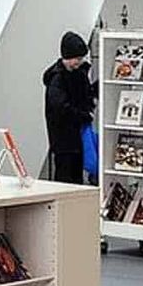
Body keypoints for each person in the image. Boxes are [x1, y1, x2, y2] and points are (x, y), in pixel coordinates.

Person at [43, 31, 94, 184]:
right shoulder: (58, 79)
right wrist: (83, 115)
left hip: (69, 138)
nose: (79, 62)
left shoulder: (67, 75)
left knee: (73, 174)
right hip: (64, 139)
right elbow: (60, 108)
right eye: (77, 59)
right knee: (67, 176)